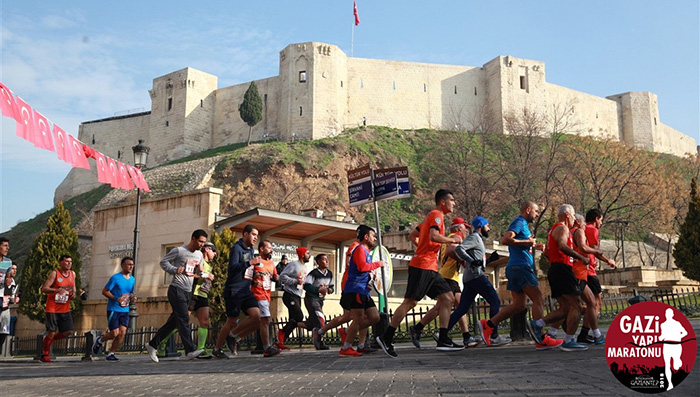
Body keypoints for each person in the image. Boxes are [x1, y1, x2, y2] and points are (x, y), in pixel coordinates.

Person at [377, 189, 464, 357]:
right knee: (410, 303)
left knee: (448, 298)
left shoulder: (430, 218)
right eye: (452, 200)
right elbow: (433, 236)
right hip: (423, 266)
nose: (454, 203)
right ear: (442, 202)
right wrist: (452, 240)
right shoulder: (436, 215)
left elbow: (412, 235)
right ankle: (386, 337)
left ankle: (444, 338)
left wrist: (423, 249)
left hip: (430, 266)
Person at [478, 201, 563, 350]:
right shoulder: (519, 222)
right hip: (521, 268)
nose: (537, 215)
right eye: (536, 212)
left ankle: (488, 325)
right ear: (528, 210)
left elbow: (521, 245)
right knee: (539, 299)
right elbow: (506, 239)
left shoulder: (523, 224)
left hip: (515, 268)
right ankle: (540, 336)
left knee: (519, 305)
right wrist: (527, 242)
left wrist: (532, 245)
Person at [145, 230, 207, 363]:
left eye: (204, 242)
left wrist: (201, 272)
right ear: (193, 239)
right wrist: (174, 270)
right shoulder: (179, 251)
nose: (202, 244)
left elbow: (196, 273)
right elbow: (163, 262)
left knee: (175, 322)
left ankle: (152, 344)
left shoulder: (199, 255)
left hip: (188, 290)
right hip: (176, 289)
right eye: (200, 241)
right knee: (184, 318)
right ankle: (190, 350)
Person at [409, 218, 472, 348]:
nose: (466, 230)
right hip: (449, 275)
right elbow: (450, 251)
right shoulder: (455, 237)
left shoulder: (447, 237)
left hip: (447, 274)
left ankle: (418, 328)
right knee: (459, 305)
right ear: (459, 228)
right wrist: (462, 261)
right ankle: (465, 337)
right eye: (465, 227)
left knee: (441, 307)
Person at [449, 217, 511, 347]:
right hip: (476, 277)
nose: (489, 228)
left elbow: (478, 263)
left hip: (470, 278)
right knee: (495, 301)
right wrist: (471, 261)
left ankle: (442, 332)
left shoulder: (479, 240)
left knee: (462, 309)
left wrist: (489, 261)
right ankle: (493, 335)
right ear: (480, 226)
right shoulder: (475, 238)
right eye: (487, 225)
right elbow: (459, 249)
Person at [542, 204, 590, 351]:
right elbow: (562, 246)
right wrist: (580, 257)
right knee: (577, 305)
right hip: (562, 269)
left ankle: (538, 325)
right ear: (568, 215)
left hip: (557, 269)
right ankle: (568, 340)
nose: (575, 219)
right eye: (574, 216)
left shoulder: (554, 230)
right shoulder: (562, 228)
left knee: (565, 307)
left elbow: (548, 253)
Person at [211, 225, 263, 359]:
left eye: (257, 235)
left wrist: (253, 279)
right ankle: (217, 348)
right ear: (245, 234)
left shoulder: (251, 250)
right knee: (231, 320)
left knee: (257, 317)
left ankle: (233, 336)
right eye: (253, 234)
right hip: (234, 290)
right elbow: (233, 269)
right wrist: (249, 262)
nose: (256, 237)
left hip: (246, 289)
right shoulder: (236, 248)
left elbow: (246, 270)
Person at [339, 225, 383, 356]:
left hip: (364, 290)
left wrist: (371, 276)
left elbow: (364, 270)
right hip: (355, 289)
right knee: (358, 319)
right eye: (373, 235)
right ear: (366, 236)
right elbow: (362, 267)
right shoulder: (359, 249)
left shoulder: (366, 252)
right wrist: (378, 264)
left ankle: (349, 331)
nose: (375, 238)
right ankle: (346, 347)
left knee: (375, 317)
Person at [581, 208, 616, 342]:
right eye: (601, 220)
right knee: (596, 303)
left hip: (585, 268)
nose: (601, 223)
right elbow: (595, 250)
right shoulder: (592, 229)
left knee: (589, 303)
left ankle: (584, 332)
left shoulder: (582, 229)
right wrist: (609, 260)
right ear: (596, 218)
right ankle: (588, 333)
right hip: (589, 271)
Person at [92, 256, 136, 361]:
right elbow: (105, 291)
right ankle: (99, 340)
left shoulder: (132, 279)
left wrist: (133, 297)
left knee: (122, 333)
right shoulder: (115, 278)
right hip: (114, 309)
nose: (130, 267)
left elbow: (131, 292)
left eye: (132, 265)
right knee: (114, 333)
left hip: (125, 310)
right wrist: (116, 299)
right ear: (122, 266)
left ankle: (111, 353)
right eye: (128, 264)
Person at [570, 214, 605, 345]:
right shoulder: (582, 230)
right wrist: (601, 256)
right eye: (600, 219)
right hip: (583, 272)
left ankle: (550, 330)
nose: (584, 225)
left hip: (578, 271)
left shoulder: (567, 232)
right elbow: (588, 248)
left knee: (575, 305)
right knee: (594, 303)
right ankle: (541, 325)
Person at [40, 255, 77, 363]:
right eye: (66, 262)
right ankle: (45, 354)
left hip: (65, 308)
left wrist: (74, 293)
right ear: (60, 263)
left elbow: (73, 286)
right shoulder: (55, 274)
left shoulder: (72, 274)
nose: (69, 263)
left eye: (70, 261)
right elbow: (44, 289)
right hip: (53, 308)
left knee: (68, 332)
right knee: (51, 331)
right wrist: (56, 290)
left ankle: (48, 340)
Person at [276, 247, 313, 350]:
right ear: (302, 255)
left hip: (298, 295)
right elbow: (282, 276)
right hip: (289, 295)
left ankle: (281, 340)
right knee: (299, 316)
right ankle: (282, 333)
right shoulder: (293, 265)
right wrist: (295, 282)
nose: (309, 255)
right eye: (307, 253)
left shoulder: (305, 267)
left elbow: (302, 281)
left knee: (293, 319)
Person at [250, 239, 281, 357]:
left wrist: (276, 278)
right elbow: (247, 276)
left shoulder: (272, 263)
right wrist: (254, 280)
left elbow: (273, 276)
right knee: (266, 319)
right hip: (257, 294)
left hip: (267, 294)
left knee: (259, 321)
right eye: (269, 247)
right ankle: (267, 347)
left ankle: (235, 336)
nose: (271, 250)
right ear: (262, 249)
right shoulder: (256, 262)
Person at [307, 253, 334, 350]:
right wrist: (318, 290)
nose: (327, 261)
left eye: (327, 259)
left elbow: (331, 286)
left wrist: (331, 290)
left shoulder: (329, 273)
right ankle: (319, 342)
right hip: (312, 299)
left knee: (312, 322)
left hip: (321, 300)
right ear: (318, 262)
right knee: (321, 319)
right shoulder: (313, 273)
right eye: (324, 259)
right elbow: (306, 286)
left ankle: (294, 323)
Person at [1, 263, 19, 353]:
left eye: (16, 269)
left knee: (4, 332)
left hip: (6, 309)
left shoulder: (13, 282)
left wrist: (15, 299)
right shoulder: (2, 280)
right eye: (12, 268)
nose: (14, 271)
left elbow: (11, 296)